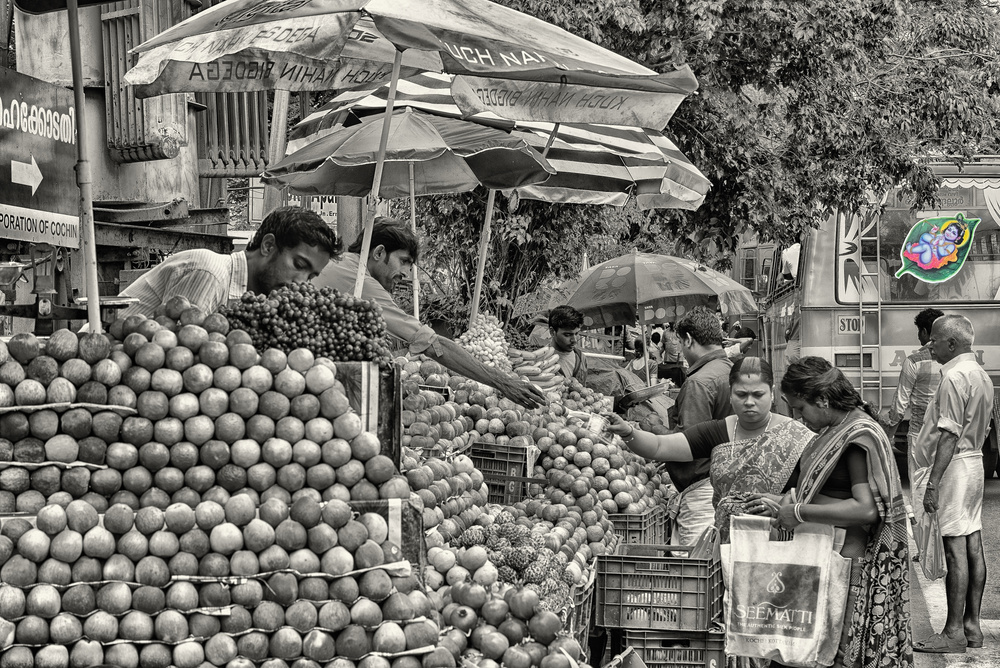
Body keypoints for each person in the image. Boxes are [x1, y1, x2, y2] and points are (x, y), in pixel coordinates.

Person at [314, 217, 546, 409]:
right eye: (403, 261)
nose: (406, 273)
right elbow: (431, 344)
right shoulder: (359, 281)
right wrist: (502, 381)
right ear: (379, 252)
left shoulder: (344, 265)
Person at [772, 357, 912, 667]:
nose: (799, 417)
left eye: (801, 409)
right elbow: (829, 494)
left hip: (847, 564)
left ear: (823, 399)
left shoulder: (855, 435)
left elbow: (866, 509)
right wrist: (784, 500)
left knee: (838, 653)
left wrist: (799, 511)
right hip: (828, 553)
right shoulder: (838, 427)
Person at [605, 356, 814, 543]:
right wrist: (628, 432)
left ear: (772, 393)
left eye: (758, 394)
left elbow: (819, 494)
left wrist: (783, 502)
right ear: (730, 394)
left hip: (782, 546)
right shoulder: (717, 431)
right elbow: (660, 447)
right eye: (741, 394)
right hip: (727, 547)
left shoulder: (797, 436)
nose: (749, 402)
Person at [911, 314, 993, 654]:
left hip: (955, 466)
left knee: (954, 549)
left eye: (935, 340)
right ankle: (971, 625)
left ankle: (953, 631)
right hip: (973, 463)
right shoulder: (980, 374)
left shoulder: (954, 377)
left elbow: (948, 434)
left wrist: (933, 482)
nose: (930, 345)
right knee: (972, 543)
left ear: (952, 343)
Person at [119, 206, 341, 318]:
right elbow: (180, 359)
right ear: (268, 246)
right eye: (299, 265)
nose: (301, 283)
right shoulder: (210, 274)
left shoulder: (257, 302)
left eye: (311, 277)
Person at [664, 306, 735, 546]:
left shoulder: (699, 382)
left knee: (696, 560)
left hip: (703, 489)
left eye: (680, 343)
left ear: (688, 340)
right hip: (725, 483)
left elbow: (689, 445)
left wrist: (655, 431)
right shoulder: (731, 370)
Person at [879, 308, 944, 482]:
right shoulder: (953, 360)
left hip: (919, 434)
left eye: (919, 331)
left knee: (919, 485)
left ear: (924, 332)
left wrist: (890, 435)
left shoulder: (914, 361)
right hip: (947, 435)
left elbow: (900, 405)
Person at [547, 305, 588, 384]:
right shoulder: (542, 361)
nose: (574, 340)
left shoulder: (581, 358)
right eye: (567, 335)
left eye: (576, 333)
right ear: (552, 332)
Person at [657, 322, 687, 386]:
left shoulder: (681, 331)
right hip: (668, 359)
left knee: (678, 380)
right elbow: (663, 345)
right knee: (669, 380)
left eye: (673, 323)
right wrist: (658, 354)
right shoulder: (665, 332)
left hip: (678, 359)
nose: (672, 324)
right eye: (671, 323)